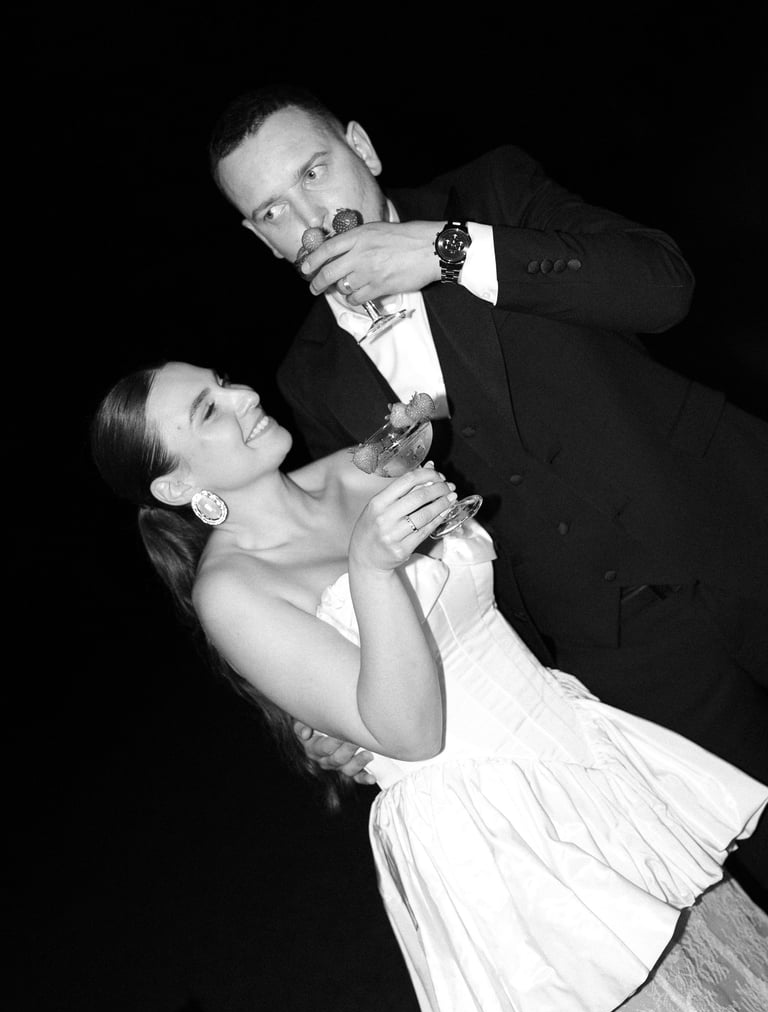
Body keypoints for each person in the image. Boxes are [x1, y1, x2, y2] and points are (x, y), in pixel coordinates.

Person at [207, 84, 768, 905]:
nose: (309, 217)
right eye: (272, 211)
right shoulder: (310, 378)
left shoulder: (490, 194)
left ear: (362, 148)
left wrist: (449, 250)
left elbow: (663, 285)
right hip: (616, 657)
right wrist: (334, 704)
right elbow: (383, 561)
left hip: (736, 521)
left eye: (315, 172)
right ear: (260, 236)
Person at [91, 359, 767, 1012]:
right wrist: (370, 570)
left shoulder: (356, 469)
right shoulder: (230, 592)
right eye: (209, 410)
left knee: (736, 972)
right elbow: (408, 733)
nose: (243, 394)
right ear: (178, 485)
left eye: (223, 381)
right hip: (491, 829)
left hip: (579, 751)